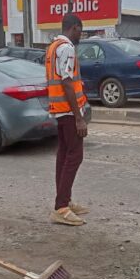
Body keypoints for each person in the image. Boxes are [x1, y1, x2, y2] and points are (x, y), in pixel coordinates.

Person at [45, 13, 89, 227]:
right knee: (75, 156)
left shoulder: (53, 46)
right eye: (81, 30)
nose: (81, 34)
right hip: (69, 112)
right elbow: (67, 82)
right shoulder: (68, 48)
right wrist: (79, 118)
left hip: (59, 110)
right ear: (75, 28)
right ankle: (61, 207)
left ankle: (65, 201)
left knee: (64, 155)